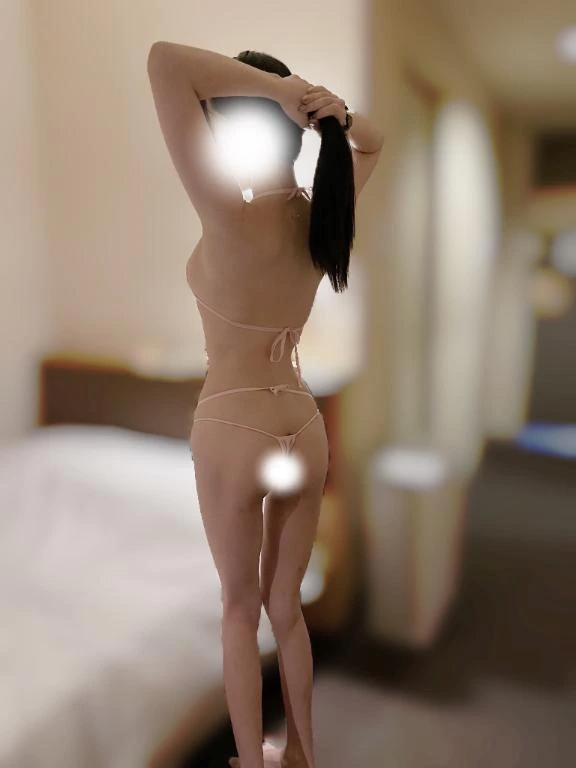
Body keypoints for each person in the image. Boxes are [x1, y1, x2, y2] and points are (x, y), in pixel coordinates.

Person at [147, 43, 383, 768]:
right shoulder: (320, 216)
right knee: (287, 611)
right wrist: (327, 112)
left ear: (232, 128)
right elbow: (372, 140)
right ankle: (301, 754)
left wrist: (281, 90)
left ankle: (253, 761)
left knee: (239, 608)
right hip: (301, 424)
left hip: (234, 421)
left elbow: (164, 62)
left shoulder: (228, 215)